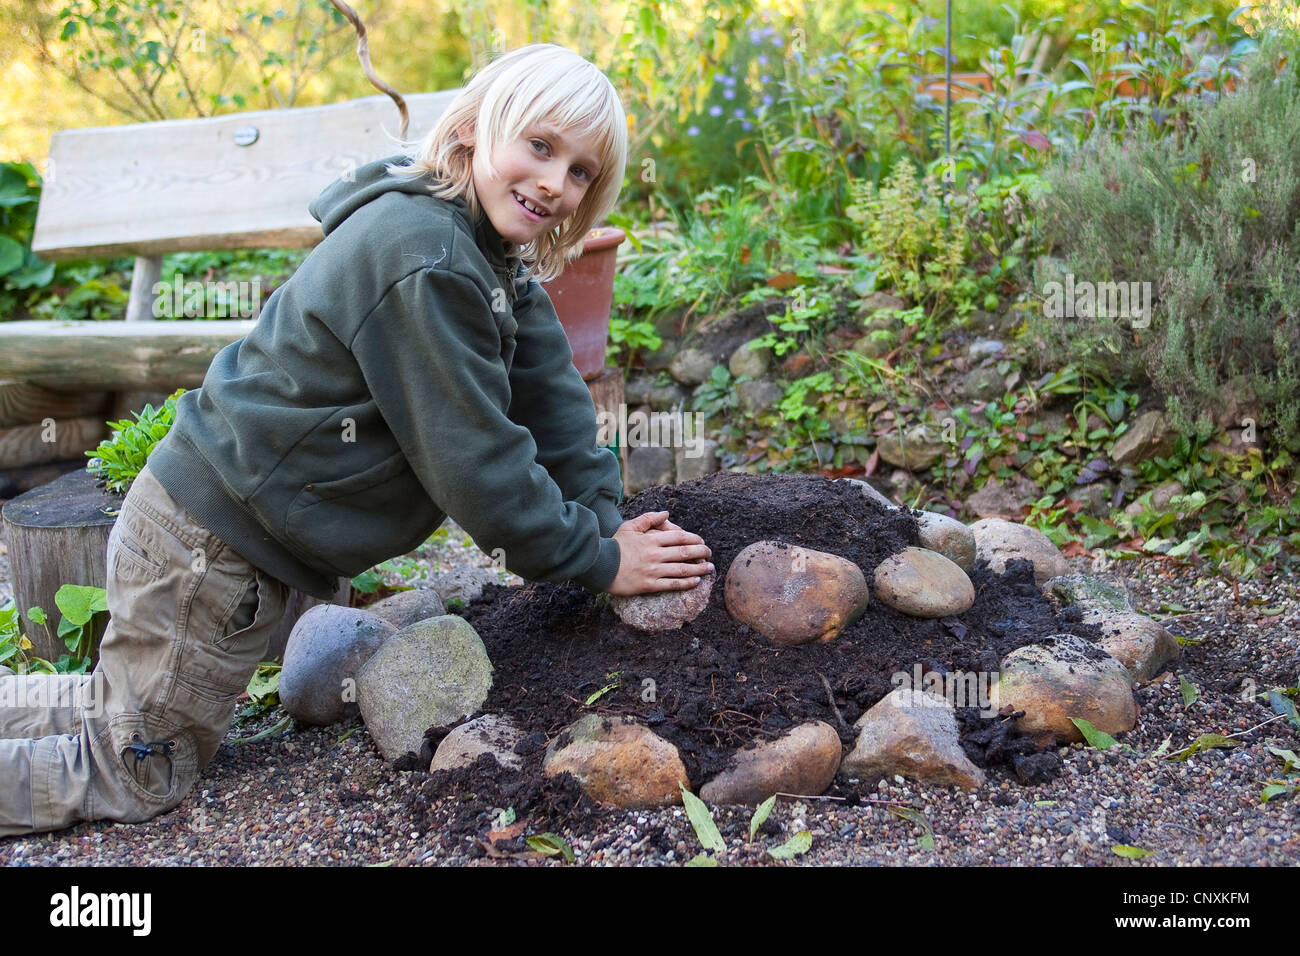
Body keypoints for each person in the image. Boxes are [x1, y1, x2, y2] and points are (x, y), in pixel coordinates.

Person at [0, 43, 712, 837]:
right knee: (138, 770)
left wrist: (602, 511)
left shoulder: (484, 250)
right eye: (540, 147)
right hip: (208, 550)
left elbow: (550, 396)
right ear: (476, 130)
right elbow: (477, 468)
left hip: (212, 531)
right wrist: (600, 561)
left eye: (580, 172)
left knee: (119, 711)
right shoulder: (428, 258)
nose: (555, 181)